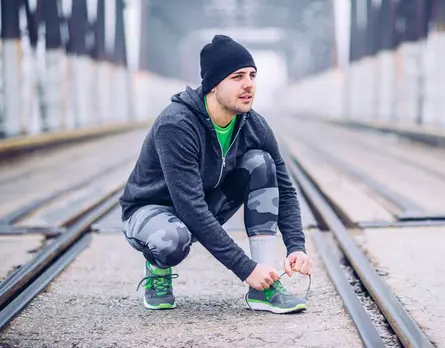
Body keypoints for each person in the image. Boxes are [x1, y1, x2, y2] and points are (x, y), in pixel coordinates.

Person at [119, 35, 313, 314]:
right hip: (151, 211)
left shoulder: (253, 125)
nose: (249, 84)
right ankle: (158, 269)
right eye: (237, 77)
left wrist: (297, 246)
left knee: (262, 162)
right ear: (213, 85)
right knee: (171, 240)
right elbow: (191, 208)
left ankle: (265, 287)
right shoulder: (176, 124)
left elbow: (285, 188)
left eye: (252, 75)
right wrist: (245, 268)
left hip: (201, 205)